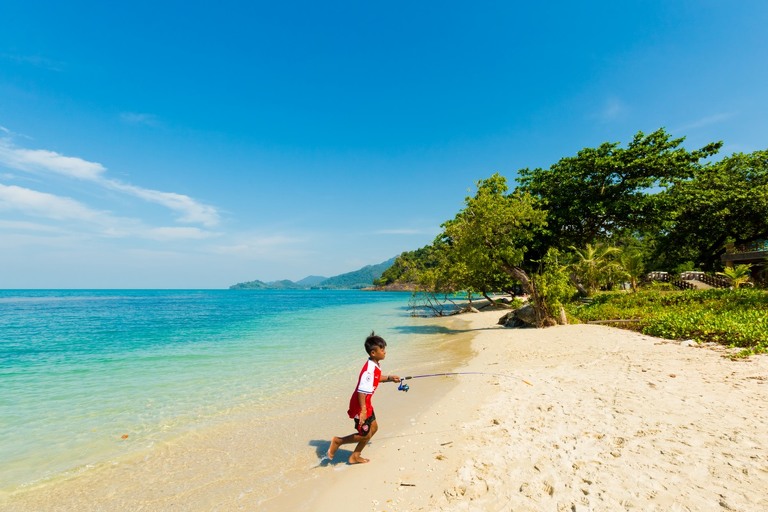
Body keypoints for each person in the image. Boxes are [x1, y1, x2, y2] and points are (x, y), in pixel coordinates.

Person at [326, 331, 400, 464]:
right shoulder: (369, 369)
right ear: (373, 353)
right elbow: (361, 390)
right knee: (364, 434)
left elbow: (375, 379)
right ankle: (338, 441)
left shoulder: (375, 364)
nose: (385, 352)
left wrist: (389, 378)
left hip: (366, 403)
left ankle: (355, 456)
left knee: (374, 428)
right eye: (382, 349)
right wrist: (363, 411)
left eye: (384, 349)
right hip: (360, 405)